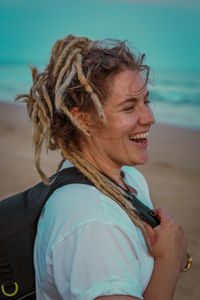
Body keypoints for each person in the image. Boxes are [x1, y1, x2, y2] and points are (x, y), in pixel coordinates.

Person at [17, 34, 189, 300]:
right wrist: (169, 260)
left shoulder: (126, 177)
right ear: (83, 119)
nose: (149, 117)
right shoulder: (92, 221)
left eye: (146, 101)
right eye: (129, 107)